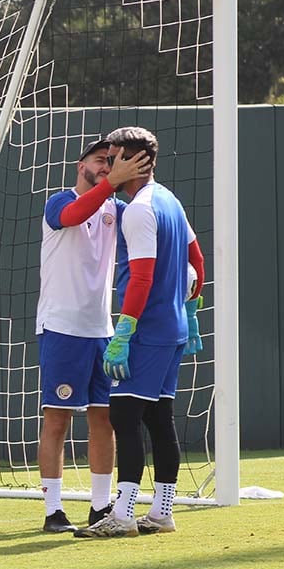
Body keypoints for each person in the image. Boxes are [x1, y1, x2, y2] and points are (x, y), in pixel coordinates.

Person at [75, 126, 205, 538]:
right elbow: (197, 261)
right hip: (173, 328)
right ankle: (162, 511)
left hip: (148, 330)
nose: (108, 167)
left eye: (113, 159)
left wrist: (125, 331)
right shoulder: (169, 199)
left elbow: (142, 278)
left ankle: (125, 514)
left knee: (125, 416)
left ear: (131, 161)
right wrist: (191, 312)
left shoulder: (140, 210)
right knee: (159, 417)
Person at [35, 139, 149, 533]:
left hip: (101, 331)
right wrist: (110, 182)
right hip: (62, 328)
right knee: (57, 419)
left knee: (105, 418)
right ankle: (53, 510)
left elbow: (148, 221)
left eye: (113, 161)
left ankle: (101, 506)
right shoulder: (58, 201)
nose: (107, 166)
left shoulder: (117, 210)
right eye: (100, 160)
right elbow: (73, 214)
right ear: (79, 163)